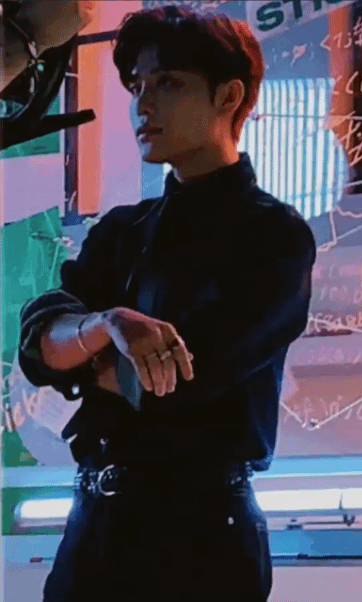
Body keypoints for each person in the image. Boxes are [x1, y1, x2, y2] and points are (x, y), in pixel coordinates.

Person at [18, 5, 316, 602]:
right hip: (94, 525)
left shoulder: (275, 236)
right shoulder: (120, 231)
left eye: (169, 83)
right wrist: (108, 324)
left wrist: (82, 353)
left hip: (202, 533)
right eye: (137, 86)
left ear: (228, 96)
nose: (143, 104)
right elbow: (36, 347)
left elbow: (183, 377)